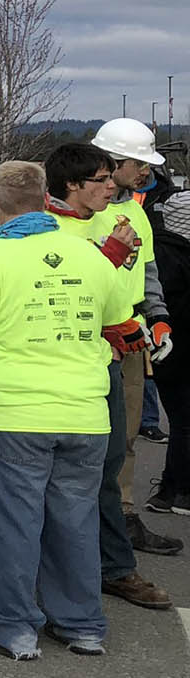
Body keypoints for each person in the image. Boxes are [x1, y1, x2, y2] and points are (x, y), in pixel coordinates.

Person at [0, 161, 127, 660]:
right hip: (85, 414)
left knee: (11, 521)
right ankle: (81, 623)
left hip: (12, 414)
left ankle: (12, 625)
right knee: (75, 519)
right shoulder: (90, 257)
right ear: (47, 201)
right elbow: (115, 323)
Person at [45, 143, 179, 606]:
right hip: (64, 363)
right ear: (72, 184)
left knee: (106, 465)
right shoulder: (43, 227)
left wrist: (153, 316)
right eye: (101, 180)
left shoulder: (127, 215)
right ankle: (59, 571)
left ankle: (114, 568)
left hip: (115, 355)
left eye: (109, 178)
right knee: (60, 471)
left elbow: (143, 275)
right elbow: (61, 288)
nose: (111, 188)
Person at [89, 119, 179, 554]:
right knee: (85, 439)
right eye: (139, 163)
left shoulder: (137, 210)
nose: (145, 172)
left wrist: (157, 317)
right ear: (112, 159)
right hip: (87, 341)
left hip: (128, 340)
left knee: (123, 436)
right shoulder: (77, 212)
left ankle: (121, 516)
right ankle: (86, 521)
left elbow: (147, 274)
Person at [143, 171, 190, 515]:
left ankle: (168, 490)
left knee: (180, 418)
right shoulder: (180, 260)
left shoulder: (155, 252)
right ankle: (182, 492)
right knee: (186, 420)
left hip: (162, 344)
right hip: (179, 341)